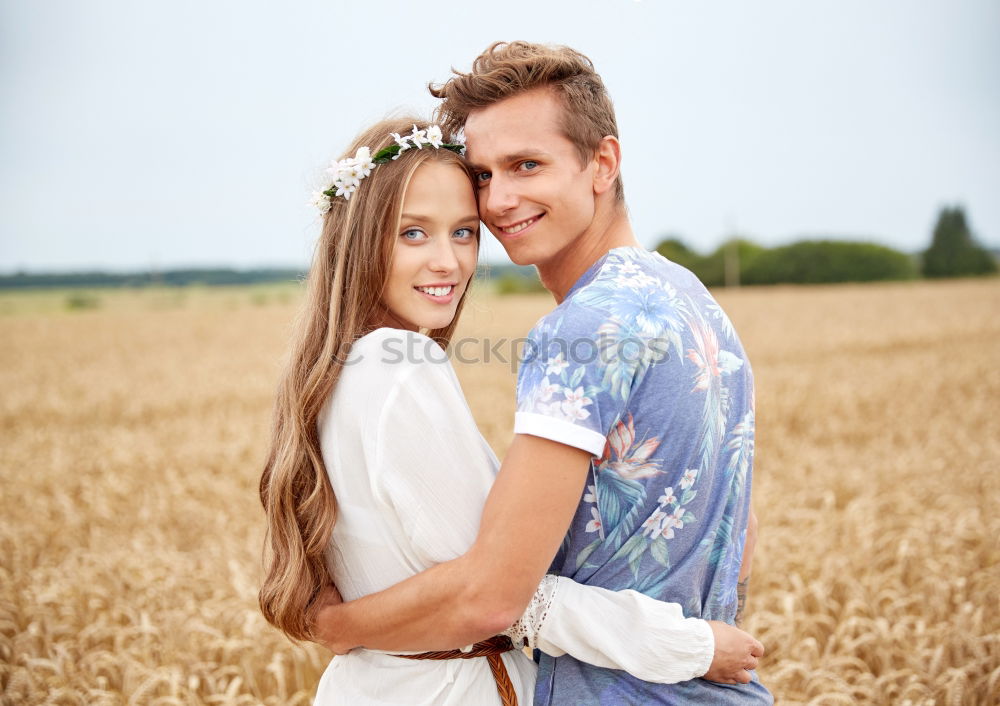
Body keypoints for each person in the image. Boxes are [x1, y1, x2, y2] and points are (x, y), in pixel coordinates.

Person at [306, 42, 773, 705]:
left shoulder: (582, 327)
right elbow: (741, 520)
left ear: (602, 163)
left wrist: (338, 623)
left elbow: (494, 594)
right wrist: (707, 637)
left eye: (527, 165)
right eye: (486, 175)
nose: (499, 201)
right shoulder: (693, 298)